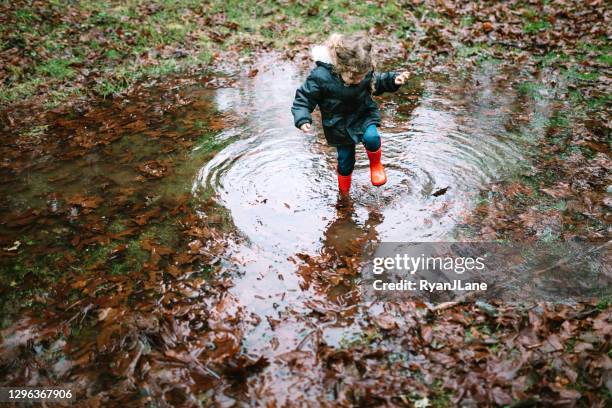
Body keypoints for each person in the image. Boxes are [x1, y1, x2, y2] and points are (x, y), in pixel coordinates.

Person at [291, 32, 410, 195]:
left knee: (372, 137)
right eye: (353, 77)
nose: (359, 80)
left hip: (363, 113)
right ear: (339, 66)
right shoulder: (320, 77)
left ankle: (376, 165)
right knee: (346, 161)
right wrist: (302, 117)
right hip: (338, 124)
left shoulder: (361, 68)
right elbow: (304, 98)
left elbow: (376, 82)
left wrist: (391, 80)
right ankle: (344, 194)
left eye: (362, 76)